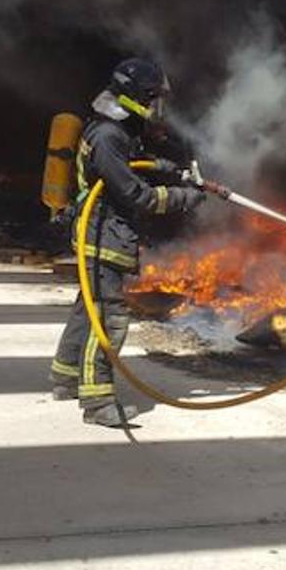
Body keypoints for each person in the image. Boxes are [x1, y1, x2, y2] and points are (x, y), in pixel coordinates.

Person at [50, 57, 205, 427]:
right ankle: (98, 402)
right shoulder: (108, 137)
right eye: (153, 98)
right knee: (109, 318)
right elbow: (138, 195)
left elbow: (134, 164)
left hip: (102, 232)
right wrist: (185, 198)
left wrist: (174, 171)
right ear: (135, 96)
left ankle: (65, 377)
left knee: (87, 309)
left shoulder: (114, 132)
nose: (157, 107)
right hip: (105, 235)